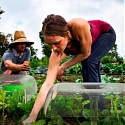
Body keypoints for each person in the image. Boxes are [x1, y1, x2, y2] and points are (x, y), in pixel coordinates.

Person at [22, 14, 116, 124]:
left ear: (67, 34)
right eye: (50, 44)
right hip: (88, 44)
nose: (53, 48)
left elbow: (86, 53)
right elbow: (48, 83)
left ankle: (96, 108)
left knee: (89, 61)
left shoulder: (78, 25)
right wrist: (32, 116)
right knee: (91, 65)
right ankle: (92, 107)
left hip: (106, 34)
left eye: (56, 43)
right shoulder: (56, 51)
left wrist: (63, 67)